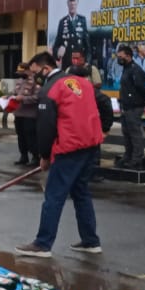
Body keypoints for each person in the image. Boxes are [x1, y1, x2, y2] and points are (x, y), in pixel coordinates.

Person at [15, 51, 109, 258]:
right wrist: (104, 129)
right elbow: (105, 103)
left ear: (45, 68)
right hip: (90, 145)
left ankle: (43, 244)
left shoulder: (50, 89)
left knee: (54, 195)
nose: (34, 77)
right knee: (81, 192)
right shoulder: (82, 83)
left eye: (35, 72)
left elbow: (46, 127)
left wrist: (45, 155)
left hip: (69, 146)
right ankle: (91, 241)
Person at [70, 50, 110, 182]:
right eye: (73, 58)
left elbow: (101, 93)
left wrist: (105, 127)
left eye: (77, 58)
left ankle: (94, 172)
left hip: (91, 116)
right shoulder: (69, 71)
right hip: (76, 120)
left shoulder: (91, 70)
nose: (75, 60)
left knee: (94, 147)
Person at [115, 44, 145, 170]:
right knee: (126, 133)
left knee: (135, 134)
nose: (119, 59)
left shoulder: (135, 70)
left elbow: (141, 88)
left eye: (121, 56)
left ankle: (136, 159)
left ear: (128, 56)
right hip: (125, 106)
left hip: (134, 107)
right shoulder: (126, 68)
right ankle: (128, 156)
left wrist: (141, 101)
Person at [52, 0, 89, 70]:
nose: (72, 3)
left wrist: (87, 63)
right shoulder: (62, 22)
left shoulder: (82, 20)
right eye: (70, 1)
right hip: (66, 67)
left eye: (74, 1)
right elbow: (55, 47)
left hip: (80, 68)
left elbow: (88, 47)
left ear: (78, 2)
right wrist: (58, 52)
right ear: (67, 3)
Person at [11, 63, 40, 166]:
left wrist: (23, 99)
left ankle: (35, 157)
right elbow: (15, 93)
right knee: (21, 136)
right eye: (19, 72)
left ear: (28, 70)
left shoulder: (36, 81)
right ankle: (23, 156)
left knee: (30, 136)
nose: (20, 74)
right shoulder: (19, 81)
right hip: (18, 113)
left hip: (30, 115)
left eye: (22, 72)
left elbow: (37, 98)